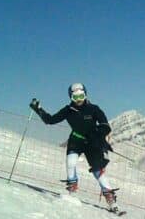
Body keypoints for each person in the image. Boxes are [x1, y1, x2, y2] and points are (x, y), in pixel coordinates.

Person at [29, 83, 119, 211]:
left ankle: (110, 197)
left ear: (86, 94)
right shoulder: (68, 110)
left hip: (92, 142)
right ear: (70, 97)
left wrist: (98, 135)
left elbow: (105, 125)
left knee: (97, 170)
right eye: (75, 97)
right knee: (70, 161)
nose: (79, 100)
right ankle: (72, 190)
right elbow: (50, 120)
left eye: (81, 96)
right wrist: (38, 109)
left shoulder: (94, 109)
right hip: (76, 139)